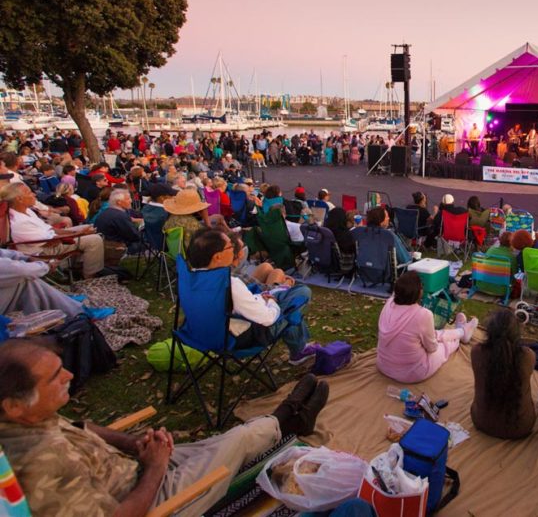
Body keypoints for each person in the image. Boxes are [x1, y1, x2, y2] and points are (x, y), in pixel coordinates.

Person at [0, 340, 329, 517]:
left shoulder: (26, 418)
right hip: (151, 499)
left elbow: (81, 426)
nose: (70, 376)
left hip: (133, 467)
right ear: (15, 404)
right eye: (55, 375)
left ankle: (289, 419)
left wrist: (132, 442)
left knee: (222, 440)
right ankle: (287, 417)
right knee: (238, 441)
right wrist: (155, 467)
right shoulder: (40, 463)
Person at [187, 228, 316, 365]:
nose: (235, 251)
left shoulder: (191, 279)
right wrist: (271, 300)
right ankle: (299, 350)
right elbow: (268, 318)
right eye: (230, 247)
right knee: (300, 294)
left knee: (283, 296)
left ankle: (300, 347)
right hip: (239, 339)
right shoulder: (229, 285)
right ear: (217, 257)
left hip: (202, 334)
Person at [377, 272, 478, 383]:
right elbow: (432, 348)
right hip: (411, 372)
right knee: (443, 345)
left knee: (435, 334)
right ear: (419, 292)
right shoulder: (423, 314)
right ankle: (462, 334)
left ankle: (462, 331)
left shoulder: (389, 303)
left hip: (384, 365)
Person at [0, 182, 104, 279]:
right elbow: (50, 243)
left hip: (50, 239)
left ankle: (79, 266)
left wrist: (77, 233)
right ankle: (90, 276)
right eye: (29, 193)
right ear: (19, 199)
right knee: (95, 240)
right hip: (42, 251)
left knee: (88, 227)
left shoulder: (27, 210)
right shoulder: (19, 222)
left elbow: (49, 229)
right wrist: (79, 234)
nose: (34, 194)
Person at [471, 309, 536, 439]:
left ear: (489, 331)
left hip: (482, 422)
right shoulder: (527, 356)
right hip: (520, 428)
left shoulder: (477, 352)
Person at [0, 248, 85, 317]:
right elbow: (22, 271)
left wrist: (27, 258)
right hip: (40, 248)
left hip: (43, 246)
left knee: (27, 282)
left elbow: (4, 253)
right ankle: (75, 312)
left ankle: (66, 307)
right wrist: (46, 267)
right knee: (27, 281)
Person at [94, 188, 143, 255]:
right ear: (119, 202)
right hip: (115, 247)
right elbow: (134, 236)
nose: (131, 201)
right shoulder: (120, 215)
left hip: (104, 244)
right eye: (128, 199)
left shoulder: (106, 211)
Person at [162, 188, 210, 253]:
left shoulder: (170, 218)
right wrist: (206, 219)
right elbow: (208, 235)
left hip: (175, 251)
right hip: (192, 253)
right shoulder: (192, 223)